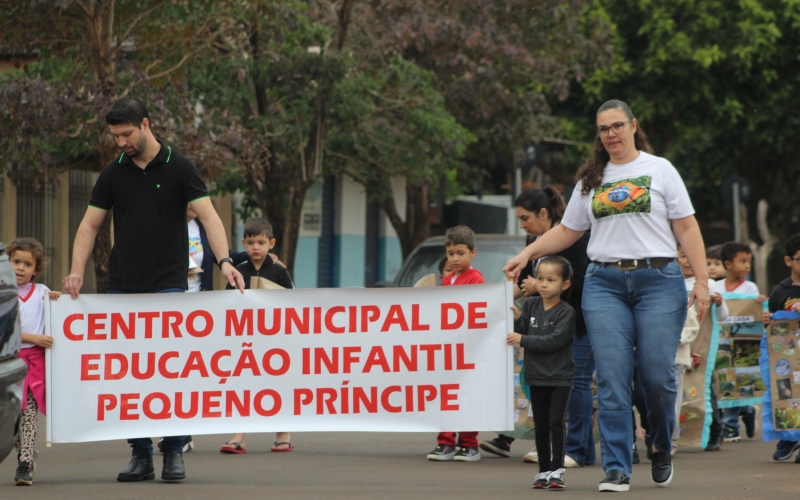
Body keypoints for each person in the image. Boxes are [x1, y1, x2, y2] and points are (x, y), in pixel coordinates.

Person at [503, 99, 711, 492]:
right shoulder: (590, 179)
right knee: (612, 378)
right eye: (603, 129)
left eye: (617, 126)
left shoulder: (660, 169)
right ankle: (617, 467)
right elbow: (568, 230)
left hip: (658, 280)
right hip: (604, 284)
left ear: (633, 126)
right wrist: (528, 254)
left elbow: (686, 227)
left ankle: (660, 444)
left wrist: (701, 280)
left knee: (656, 376)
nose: (611, 134)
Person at [62, 97, 244, 483]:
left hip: (168, 285)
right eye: (115, 136)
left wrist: (225, 261)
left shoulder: (180, 166)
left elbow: (210, 217)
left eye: (126, 134)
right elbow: (89, 225)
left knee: (169, 371)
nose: (121, 142)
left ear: (145, 124)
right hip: (123, 286)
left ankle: (173, 451)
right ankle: (140, 454)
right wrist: (76, 271)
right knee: (127, 374)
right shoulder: (113, 172)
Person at [478, 187, 592, 468]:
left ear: (543, 213)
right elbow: (523, 284)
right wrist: (488, 301)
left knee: (576, 383)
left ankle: (576, 450)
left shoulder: (574, 237)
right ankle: (568, 447)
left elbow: (579, 281)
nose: (522, 225)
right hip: (543, 324)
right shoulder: (534, 242)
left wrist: (538, 285)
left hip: (578, 323)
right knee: (548, 384)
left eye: (525, 218)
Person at [220, 217, 294, 454]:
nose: (255, 247)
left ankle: (282, 433)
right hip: (245, 340)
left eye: (261, 243)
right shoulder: (238, 271)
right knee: (243, 384)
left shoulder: (279, 271)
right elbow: (226, 304)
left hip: (275, 340)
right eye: (251, 243)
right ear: (243, 243)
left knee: (277, 384)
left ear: (271, 244)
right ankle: (239, 435)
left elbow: (292, 302)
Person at [507, 256, 576, 489]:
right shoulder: (531, 304)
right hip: (535, 375)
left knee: (557, 422)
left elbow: (554, 340)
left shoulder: (566, 312)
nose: (543, 284)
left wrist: (522, 339)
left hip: (560, 377)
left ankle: (557, 470)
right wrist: (516, 320)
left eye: (551, 280)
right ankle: (543, 470)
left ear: (565, 284)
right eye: (540, 278)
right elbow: (523, 330)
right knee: (541, 424)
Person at [427, 225, 484, 461]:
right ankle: (445, 441)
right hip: (448, 349)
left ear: (472, 253)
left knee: (467, 395)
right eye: (451, 254)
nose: (455, 259)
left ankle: (469, 443)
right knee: (446, 395)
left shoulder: (475, 278)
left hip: (468, 349)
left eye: (461, 253)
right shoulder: (448, 279)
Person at [10, 238, 62, 485]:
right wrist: (33, 338)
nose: (20, 268)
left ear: (36, 269)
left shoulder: (42, 292)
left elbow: (57, 313)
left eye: (27, 264)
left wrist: (57, 299)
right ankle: (25, 451)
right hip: (8, 363)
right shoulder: (3, 293)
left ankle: (25, 464)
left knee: (28, 412)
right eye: (16, 262)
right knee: (12, 418)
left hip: (33, 364)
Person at [674, 244, 728, 455]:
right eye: (682, 256)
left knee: (703, 384)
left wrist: (719, 303)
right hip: (679, 341)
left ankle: (715, 430)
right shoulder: (671, 282)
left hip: (702, 342)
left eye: (691, 256)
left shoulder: (709, 284)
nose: (687, 261)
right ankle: (680, 434)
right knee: (677, 390)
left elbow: (723, 317)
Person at [714, 241, 765, 443]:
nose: (747, 266)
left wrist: (760, 302)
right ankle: (747, 410)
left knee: (738, 379)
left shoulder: (751, 288)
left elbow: (755, 312)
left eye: (749, 262)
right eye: (742, 261)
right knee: (723, 381)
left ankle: (731, 425)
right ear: (728, 264)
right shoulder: (717, 286)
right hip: (721, 343)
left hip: (743, 346)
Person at [761, 233, 800, 462]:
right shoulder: (780, 290)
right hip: (786, 357)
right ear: (788, 260)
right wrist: (768, 321)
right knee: (785, 393)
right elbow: (773, 325)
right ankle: (789, 437)